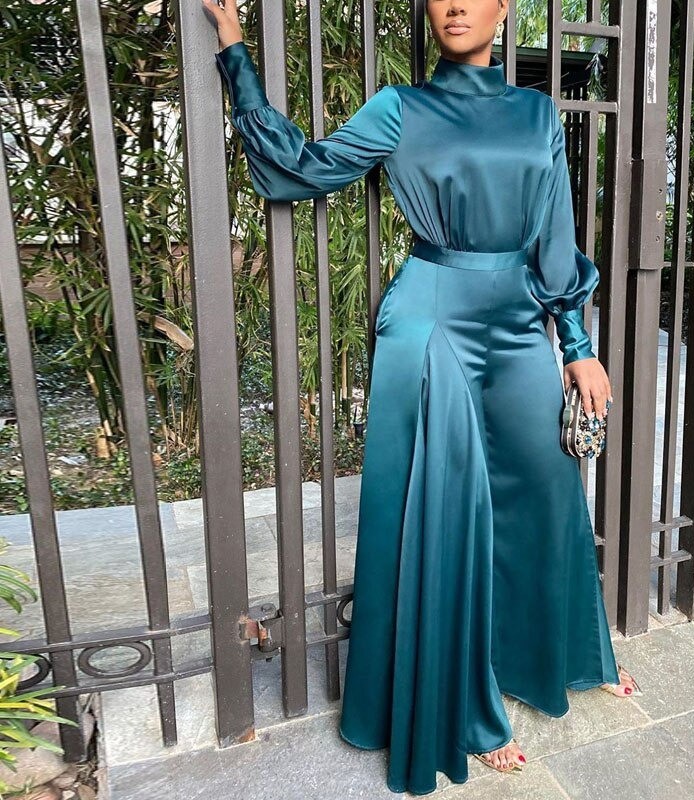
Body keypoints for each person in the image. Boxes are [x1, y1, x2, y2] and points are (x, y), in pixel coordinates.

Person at [203, 0, 642, 794]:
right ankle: (467, 710)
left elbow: (554, 234)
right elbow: (300, 167)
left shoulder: (537, 113)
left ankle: (564, 654)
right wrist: (234, 47)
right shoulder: (399, 106)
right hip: (430, 317)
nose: (457, 5)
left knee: (546, 489)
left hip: (519, 321)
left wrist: (577, 347)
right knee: (445, 508)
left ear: (504, 8)